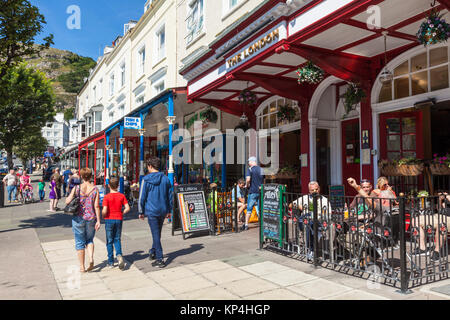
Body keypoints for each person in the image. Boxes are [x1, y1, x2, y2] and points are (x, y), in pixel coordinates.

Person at [138, 157, 173, 268]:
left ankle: (160, 258)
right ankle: (153, 251)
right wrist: (169, 210)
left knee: (156, 235)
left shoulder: (146, 179)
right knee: (157, 234)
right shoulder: (166, 179)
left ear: (150, 166)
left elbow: (141, 197)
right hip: (162, 210)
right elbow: (170, 197)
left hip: (151, 211)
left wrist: (141, 211)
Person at [66, 168, 101, 273]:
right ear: (91, 176)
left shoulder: (77, 188)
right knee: (89, 240)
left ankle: (82, 267)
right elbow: (97, 206)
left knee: (79, 242)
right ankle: (91, 258)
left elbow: (67, 201)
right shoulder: (95, 189)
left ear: (81, 176)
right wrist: (99, 220)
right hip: (91, 218)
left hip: (78, 218)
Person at [291, 181, 333, 260]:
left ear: (319, 189)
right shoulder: (305, 198)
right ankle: (311, 248)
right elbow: (291, 204)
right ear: (309, 191)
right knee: (307, 222)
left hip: (319, 221)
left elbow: (329, 214)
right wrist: (301, 207)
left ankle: (311, 250)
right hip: (306, 221)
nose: (314, 191)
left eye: (316, 189)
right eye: (312, 190)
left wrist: (322, 216)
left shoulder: (324, 200)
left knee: (311, 225)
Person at [102, 177, 130, 269]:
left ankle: (110, 262)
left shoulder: (106, 197)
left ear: (109, 186)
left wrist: (103, 215)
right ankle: (119, 255)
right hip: (119, 219)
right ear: (118, 186)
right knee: (117, 238)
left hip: (109, 219)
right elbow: (127, 208)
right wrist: (122, 212)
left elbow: (105, 210)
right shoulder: (121, 196)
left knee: (109, 240)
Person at [242, 157, 263, 231]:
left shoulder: (250, 169)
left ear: (252, 161)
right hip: (260, 191)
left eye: (249, 162)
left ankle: (246, 224)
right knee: (259, 208)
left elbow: (248, 179)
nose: (248, 163)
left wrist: (246, 185)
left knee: (249, 209)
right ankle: (262, 224)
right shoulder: (261, 169)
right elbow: (264, 179)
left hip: (253, 191)